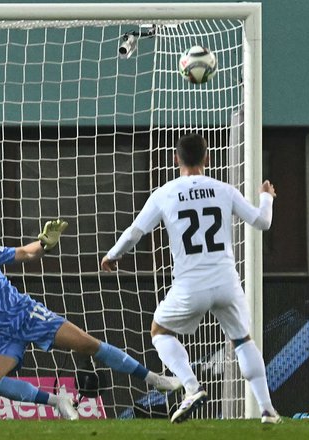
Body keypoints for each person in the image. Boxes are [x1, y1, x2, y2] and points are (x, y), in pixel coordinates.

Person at [0, 214, 182, 420]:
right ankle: (56, 401)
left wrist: (43, 243)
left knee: (89, 344)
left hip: (27, 315)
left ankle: (153, 378)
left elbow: (25, 253)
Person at [100, 133, 281, 424]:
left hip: (190, 285)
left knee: (159, 330)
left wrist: (112, 254)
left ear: (176, 159)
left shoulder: (165, 193)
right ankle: (267, 409)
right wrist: (265, 197)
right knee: (243, 340)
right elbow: (262, 222)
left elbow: (136, 231)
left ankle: (192, 386)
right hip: (226, 281)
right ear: (207, 159)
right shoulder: (223, 189)